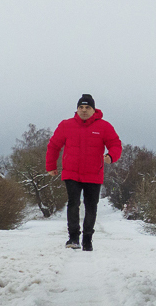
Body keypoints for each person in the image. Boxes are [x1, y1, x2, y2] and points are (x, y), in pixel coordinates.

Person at [46, 94, 122, 251]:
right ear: (77, 109)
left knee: (91, 206)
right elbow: (54, 145)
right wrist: (51, 166)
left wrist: (111, 156)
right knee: (73, 203)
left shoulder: (104, 127)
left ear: (94, 110)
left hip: (93, 173)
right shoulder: (66, 125)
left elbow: (115, 144)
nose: (84, 110)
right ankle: (73, 238)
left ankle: (87, 239)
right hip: (71, 172)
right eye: (81, 107)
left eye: (88, 107)